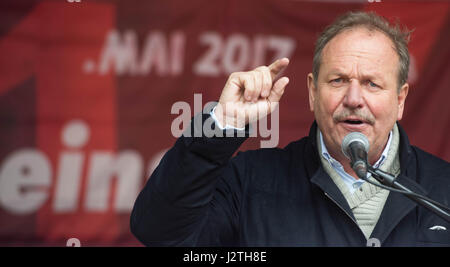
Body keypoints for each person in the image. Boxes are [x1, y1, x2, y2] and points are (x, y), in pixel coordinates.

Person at [130, 11, 450, 246]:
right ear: (312, 92)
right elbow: (159, 233)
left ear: (401, 99)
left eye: (372, 84)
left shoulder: (444, 189)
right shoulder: (250, 182)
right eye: (338, 81)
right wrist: (221, 125)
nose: (354, 99)